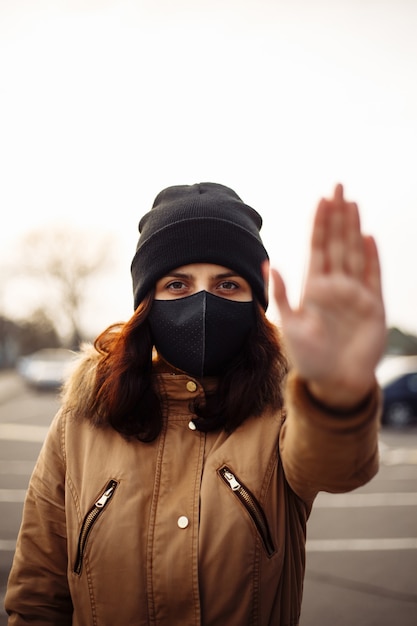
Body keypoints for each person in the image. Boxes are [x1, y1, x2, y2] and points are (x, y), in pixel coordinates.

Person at [5, 181, 386, 626]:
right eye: (177, 284)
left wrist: (335, 391)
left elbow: (337, 466)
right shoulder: (82, 421)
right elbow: (37, 595)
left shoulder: (282, 411)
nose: (202, 303)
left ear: (256, 304)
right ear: (146, 302)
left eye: (227, 284)